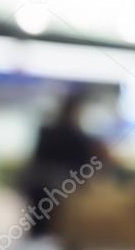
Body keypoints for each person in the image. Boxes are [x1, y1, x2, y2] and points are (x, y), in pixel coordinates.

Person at [23, 92, 98, 238]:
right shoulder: (79, 137)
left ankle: (38, 240)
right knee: (54, 224)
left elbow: (36, 159)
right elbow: (85, 166)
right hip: (61, 187)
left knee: (39, 222)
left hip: (41, 184)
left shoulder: (47, 132)